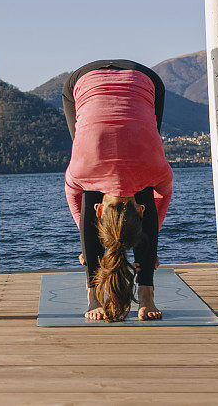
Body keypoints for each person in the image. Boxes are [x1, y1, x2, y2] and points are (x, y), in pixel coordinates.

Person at [62, 59, 173, 322]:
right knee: (134, 187)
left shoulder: (84, 170)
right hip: (126, 78)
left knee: (93, 189)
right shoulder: (151, 170)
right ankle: (145, 295)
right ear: (140, 209)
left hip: (134, 78)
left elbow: (73, 195)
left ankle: (94, 296)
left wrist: (86, 240)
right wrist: (150, 247)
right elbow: (161, 200)